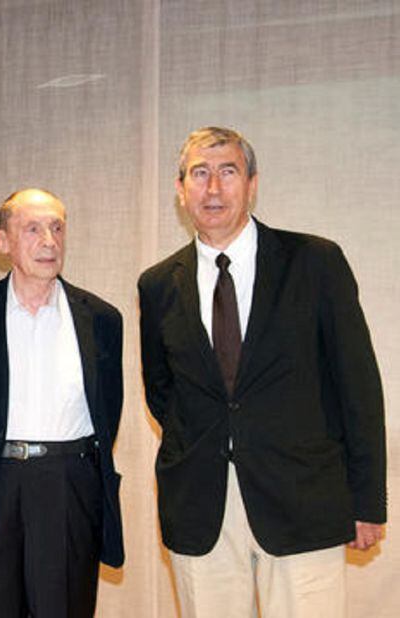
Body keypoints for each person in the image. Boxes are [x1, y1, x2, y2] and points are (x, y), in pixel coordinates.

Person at [138, 126, 386, 617]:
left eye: (228, 172)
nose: (213, 189)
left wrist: (366, 501)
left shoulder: (316, 262)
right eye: (200, 174)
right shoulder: (159, 284)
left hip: (302, 501)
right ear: (180, 189)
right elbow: (162, 391)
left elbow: (358, 386)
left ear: (252, 183)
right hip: (201, 507)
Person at [0, 189, 124, 617]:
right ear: (2, 242)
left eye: (57, 227)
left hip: (68, 487)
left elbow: (109, 411)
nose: (49, 241)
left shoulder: (102, 319)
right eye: (33, 229)